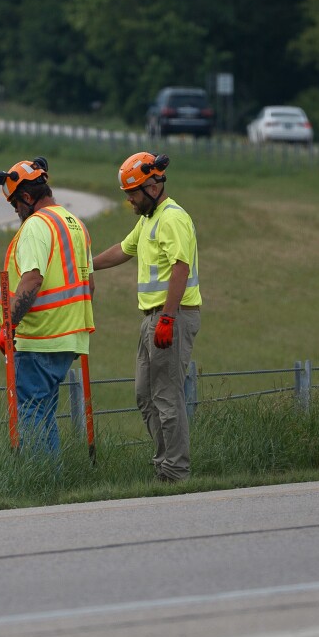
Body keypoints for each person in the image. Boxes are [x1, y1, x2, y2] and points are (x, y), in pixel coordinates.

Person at [91, 152, 201, 482]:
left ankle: (175, 471)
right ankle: (165, 463)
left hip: (172, 318)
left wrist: (167, 318)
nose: (129, 201)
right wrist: (82, 265)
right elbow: (123, 250)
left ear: (152, 187)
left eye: (133, 194)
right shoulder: (149, 220)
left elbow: (181, 267)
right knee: (145, 396)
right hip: (152, 319)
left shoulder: (172, 219)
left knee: (167, 397)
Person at [0, 157, 95, 455]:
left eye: (15, 205)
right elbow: (90, 284)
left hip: (40, 338)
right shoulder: (75, 224)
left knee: (32, 414)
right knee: (44, 412)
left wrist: (8, 325)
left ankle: (40, 485)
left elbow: (32, 279)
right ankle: (51, 483)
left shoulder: (36, 226)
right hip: (70, 337)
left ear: (26, 196)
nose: (16, 212)